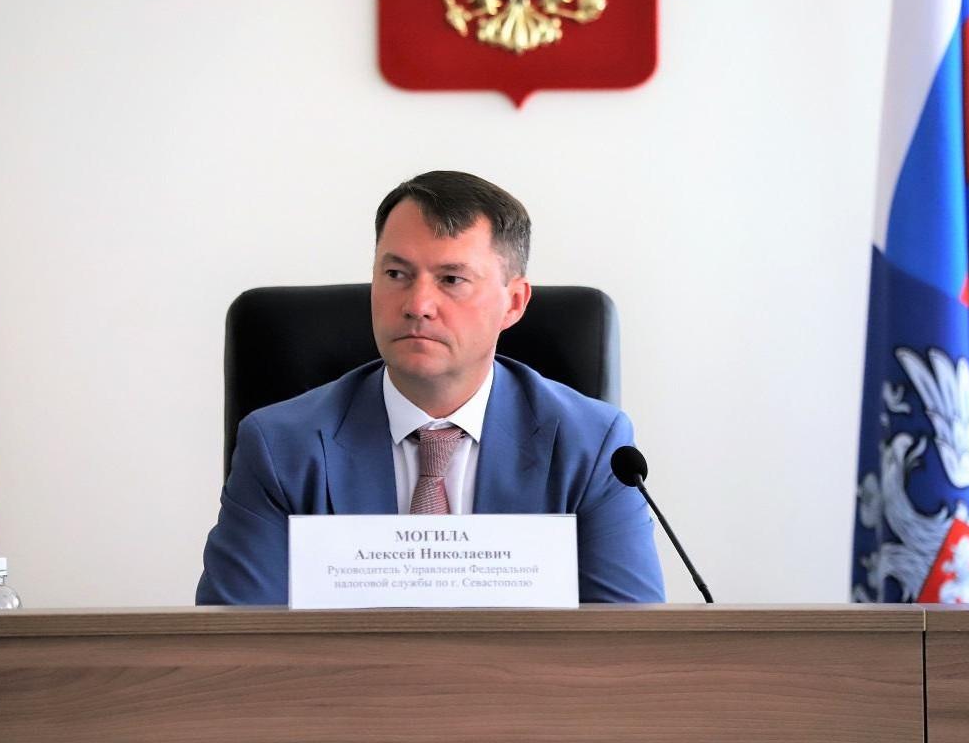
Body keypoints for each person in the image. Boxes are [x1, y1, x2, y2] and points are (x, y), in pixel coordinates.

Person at [196, 171, 664, 604]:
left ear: (514, 303)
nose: (417, 304)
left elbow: (628, 643)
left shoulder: (594, 445)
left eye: (452, 279)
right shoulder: (281, 446)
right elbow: (235, 645)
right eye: (396, 275)